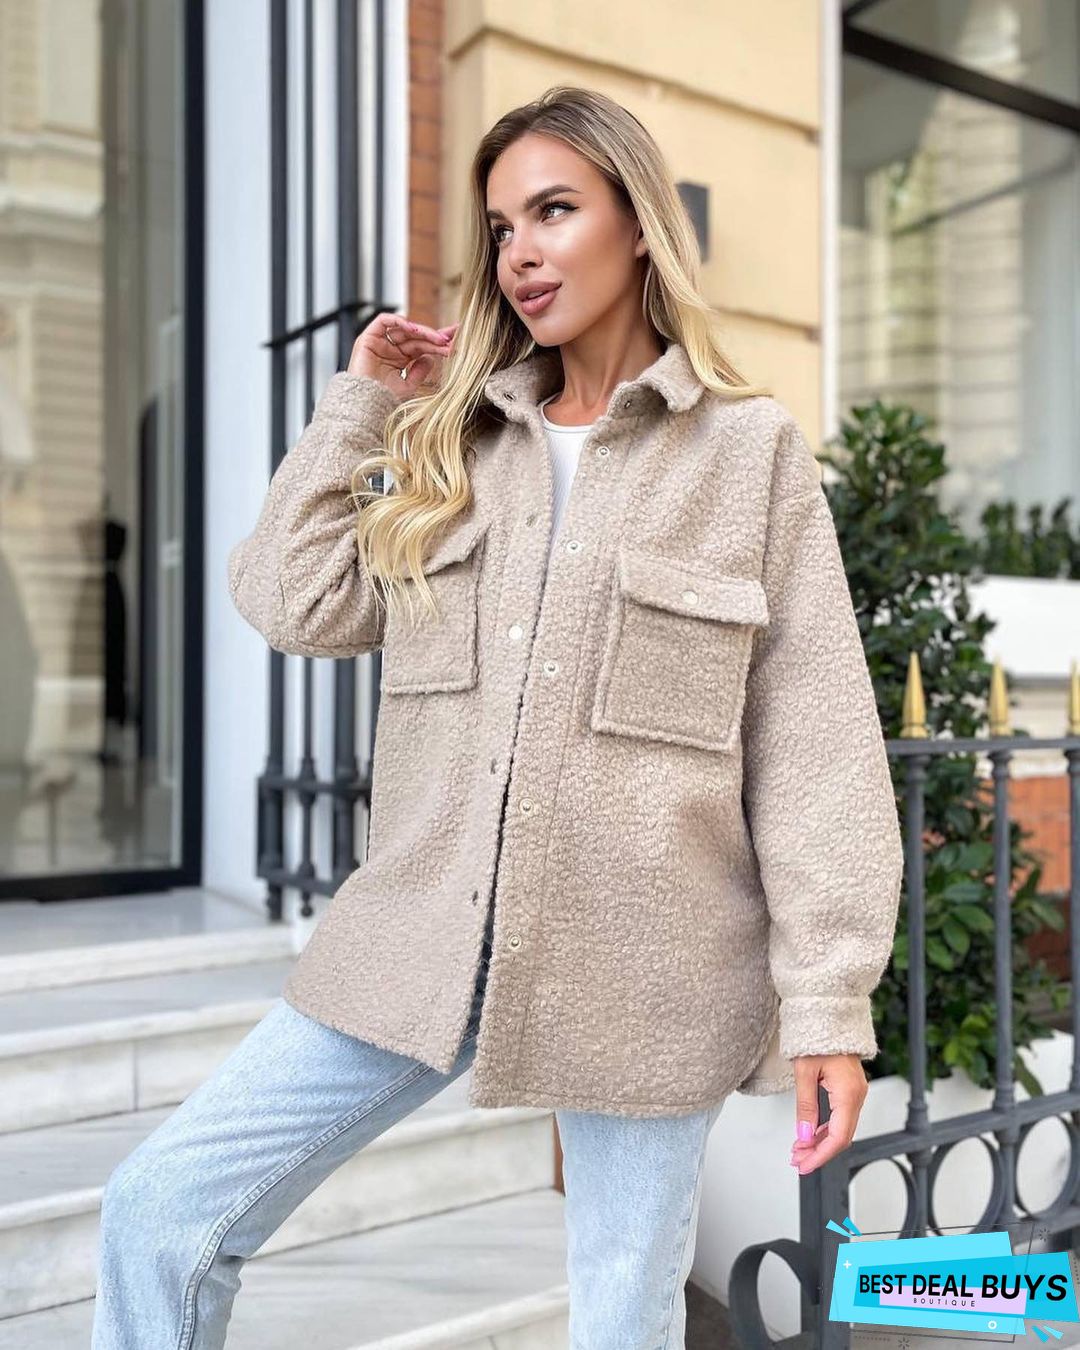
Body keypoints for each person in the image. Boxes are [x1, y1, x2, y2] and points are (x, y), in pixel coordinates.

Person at [91, 85, 903, 1350]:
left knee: (622, 1319)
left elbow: (816, 748)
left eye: (554, 211)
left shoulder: (749, 454)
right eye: (501, 227)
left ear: (637, 221)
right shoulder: (456, 446)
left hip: (650, 967)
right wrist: (360, 406)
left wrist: (829, 1007)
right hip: (415, 933)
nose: (520, 251)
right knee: (157, 1209)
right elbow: (293, 599)